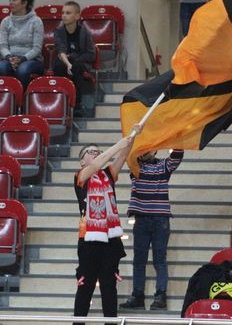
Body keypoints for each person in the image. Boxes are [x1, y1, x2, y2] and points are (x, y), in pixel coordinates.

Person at [73, 124, 141, 325]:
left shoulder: (108, 175)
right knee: (85, 287)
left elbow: (122, 157)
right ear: (82, 161)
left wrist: (131, 138)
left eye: (97, 151)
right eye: (90, 152)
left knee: (109, 286)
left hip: (110, 239)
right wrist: (118, 145)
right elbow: (97, 164)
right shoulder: (81, 176)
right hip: (88, 239)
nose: (95, 153)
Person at [119, 149, 184, 311]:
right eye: (144, 148)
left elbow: (177, 155)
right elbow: (129, 154)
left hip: (160, 219)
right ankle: (138, 296)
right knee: (139, 260)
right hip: (141, 219)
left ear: (155, 150)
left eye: (150, 148)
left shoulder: (163, 165)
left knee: (159, 260)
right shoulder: (135, 165)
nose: (146, 151)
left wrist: (176, 140)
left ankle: (160, 297)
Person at [52, 1, 96, 114]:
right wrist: (68, 62)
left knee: (76, 68)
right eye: (63, 13)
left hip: (79, 62)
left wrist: (73, 58)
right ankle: (60, 104)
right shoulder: (58, 31)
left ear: (77, 16)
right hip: (64, 61)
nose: (64, 16)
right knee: (59, 66)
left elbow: (91, 55)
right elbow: (61, 50)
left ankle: (76, 105)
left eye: (68, 13)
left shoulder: (85, 32)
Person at [0, 0, 44, 88]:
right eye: (10, 0)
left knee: (23, 70)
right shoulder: (5, 21)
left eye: (14, 0)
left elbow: (37, 49)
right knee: (1, 67)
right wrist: (9, 57)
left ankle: (22, 96)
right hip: (10, 58)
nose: (10, 3)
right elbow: (3, 46)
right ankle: (9, 95)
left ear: (24, 3)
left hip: (31, 60)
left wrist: (22, 59)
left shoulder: (36, 21)